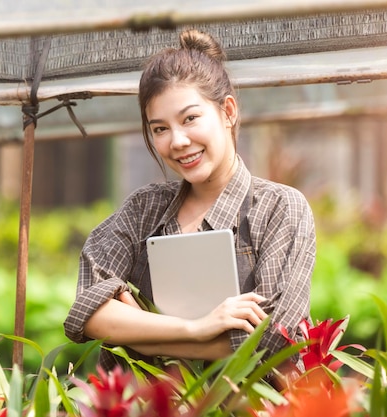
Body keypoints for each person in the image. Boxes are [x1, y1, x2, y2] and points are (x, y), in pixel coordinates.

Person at [64, 28, 316, 373]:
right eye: (160, 129)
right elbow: (88, 310)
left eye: (190, 118)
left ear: (228, 111)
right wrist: (196, 329)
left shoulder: (279, 208)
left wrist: (138, 334)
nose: (178, 141)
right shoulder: (145, 209)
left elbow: (269, 338)